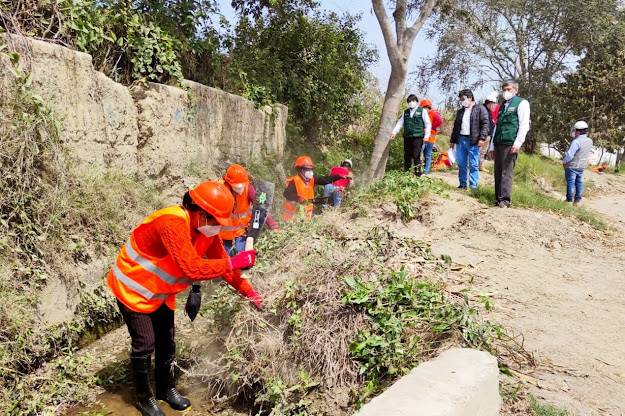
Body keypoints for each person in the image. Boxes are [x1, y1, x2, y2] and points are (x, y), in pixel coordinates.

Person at [106, 181, 263, 416]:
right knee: (145, 343)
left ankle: (165, 389)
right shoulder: (172, 223)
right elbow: (191, 268)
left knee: (167, 339)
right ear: (200, 213)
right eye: (215, 221)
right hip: (133, 288)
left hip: (160, 291)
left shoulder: (206, 231)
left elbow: (225, 268)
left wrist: (249, 291)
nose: (217, 228)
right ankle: (143, 397)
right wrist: (234, 261)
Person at [220, 164, 279, 256]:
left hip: (241, 231)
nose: (241, 189)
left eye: (242, 185)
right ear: (228, 183)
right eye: (237, 186)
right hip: (223, 234)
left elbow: (261, 208)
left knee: (241, 255)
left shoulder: (248, 190)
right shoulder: (220, 191)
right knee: (224, 259)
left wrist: (273, 226)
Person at [488, 80, 531, 208]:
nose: (506, 92)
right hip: (498, 142)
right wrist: (491, 146)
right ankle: (498, 199)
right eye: (504, 89)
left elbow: (524, 125)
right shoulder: (502, 106)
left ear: (515, 90)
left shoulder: (521, 103)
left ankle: (505, 200)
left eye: (509, 89)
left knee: (506, 172)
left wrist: (517, 143)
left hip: (510, 142)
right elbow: (496, 126)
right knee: (498, 171)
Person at [282, 156, 346, 221]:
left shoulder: (312, 179)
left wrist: (337, 177)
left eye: (311, 169)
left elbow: (324, 180)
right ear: (302, 170)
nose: (310, 171)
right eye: (308, 169)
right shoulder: (295, 180)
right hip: (291, 216)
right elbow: (286, 193)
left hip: (305, 216)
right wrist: (298, 198)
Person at [450, 89, 490, 189]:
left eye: (463, 99)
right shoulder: (460, 111)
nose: (462, 101)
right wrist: (452, 141)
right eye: (460, 100)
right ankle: (462, 184)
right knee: (461, 163)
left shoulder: (480, 109)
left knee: (473, 164)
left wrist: (482, 138)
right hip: (461, 139)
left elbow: (485, 124)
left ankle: (473, 186)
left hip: (473, 141)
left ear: (470, 98)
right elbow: (456, 127)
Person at [390, 94, 432, 176]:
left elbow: (428, 124)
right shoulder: (405, 113)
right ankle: (407, 174)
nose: (411, 103)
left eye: (413, 101)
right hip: (408, 137)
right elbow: (400, 123)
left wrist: (426, 136)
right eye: (409, 101)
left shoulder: (422, 111)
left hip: (418, 137)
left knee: (416, 156)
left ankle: (417, 174)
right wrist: (394, 132)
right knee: (407, 156)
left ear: (416, 102)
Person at [562, 121, 593, 204]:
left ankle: (569, 200)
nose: (574, 132)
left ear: (578, 131)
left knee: (571, 182)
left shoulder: (576, 141)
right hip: (581, 166)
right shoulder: (589, 141)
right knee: (579, 182)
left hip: (572, 165)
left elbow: (570, 155)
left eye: (575, 130)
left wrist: (564, 162)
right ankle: (577, 201)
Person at [420, 99, 444, 175]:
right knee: (421, 153)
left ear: (427, 107)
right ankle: (420, 170)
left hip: (430, 138)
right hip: (423, 137)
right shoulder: (424, 114)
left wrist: (432, 126)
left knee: (427, 155)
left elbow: (440, 120)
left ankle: (425, 172)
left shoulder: (434, 113)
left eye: (423, 108)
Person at [479, 93, 500, 172]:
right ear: (490, 102)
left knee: (483, 152)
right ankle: (472, 166)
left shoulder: (488, 111)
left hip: (488, 135)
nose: (494, 105)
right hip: (482, 135)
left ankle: (480, 165)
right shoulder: (482, 110)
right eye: (493, 104)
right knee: (478, 151)